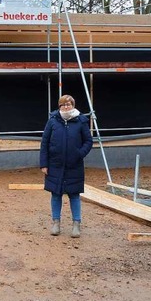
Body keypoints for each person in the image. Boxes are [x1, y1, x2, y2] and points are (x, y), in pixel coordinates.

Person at [40, 95, 93, 238]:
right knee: (56, 194)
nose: (66, 107)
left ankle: (76, 224)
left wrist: (79, 154)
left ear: (73, 105)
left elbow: (88, 141)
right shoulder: (52, 121)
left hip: (74, 165)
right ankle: (55, 223)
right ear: (59, 106)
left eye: (68, 104)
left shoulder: (81, 121)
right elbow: (44, 142)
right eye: (63, 105)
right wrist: (44, 164)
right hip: (55, 164)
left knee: (74, 195)